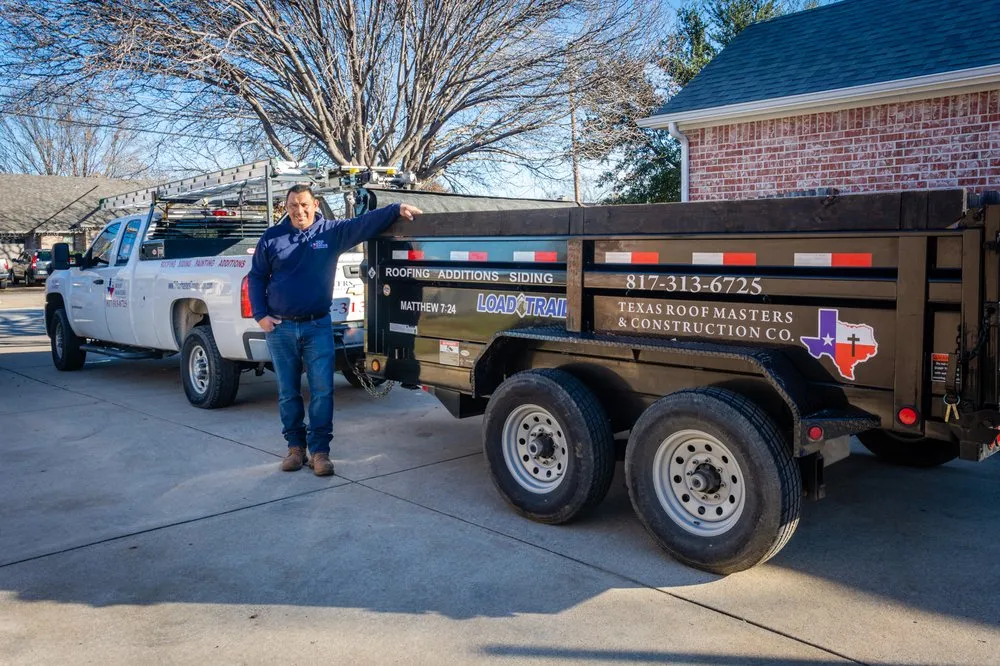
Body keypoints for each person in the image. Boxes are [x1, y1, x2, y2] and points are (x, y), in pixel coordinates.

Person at [248, 185, 422, 475]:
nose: (299, 211)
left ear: (315, 204)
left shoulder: (330, 232)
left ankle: (319, 452)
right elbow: (255, 277)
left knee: (322, 391)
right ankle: (294, 448)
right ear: (286, 207)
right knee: (288, 392)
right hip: (280, 329)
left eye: (304, 204)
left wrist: (395, 209)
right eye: (293, 206)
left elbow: (362, 224)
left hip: (318, 326)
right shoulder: (272, 237)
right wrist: (260, 315)